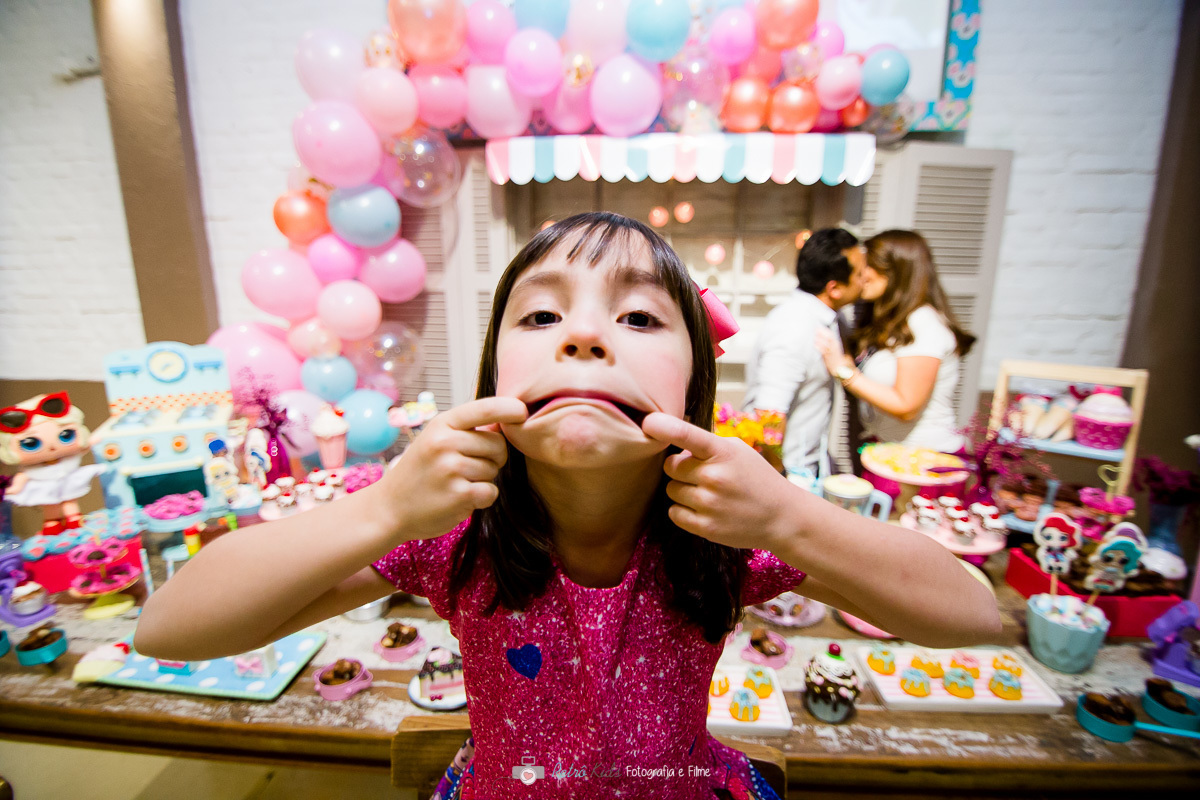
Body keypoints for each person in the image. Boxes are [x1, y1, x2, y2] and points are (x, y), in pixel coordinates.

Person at [135, 213, 1000, 800]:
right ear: (493, 374)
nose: (584, 337)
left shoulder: (731, 532)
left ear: (695, 384)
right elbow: (170, 630)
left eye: (638, 318)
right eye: (542, 313)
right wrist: (382, 509)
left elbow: (970, 615)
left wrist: (789, 518)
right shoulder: (451, 533)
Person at [816, 228, 976, 456]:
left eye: (867, 265)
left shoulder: (923, 323)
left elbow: (906, 406)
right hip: (893, 453)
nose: (860, 274)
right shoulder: (891, 322)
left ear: (896, 271)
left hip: (924, 461)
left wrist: (843, 371)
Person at [742, 228, 865, 479]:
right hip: (787, 475)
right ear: (835, 288)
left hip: (806, 466)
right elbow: (769, 413)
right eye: (860, 274)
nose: (866, 280)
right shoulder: (795, 327)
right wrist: (778, 473)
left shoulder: (825, 318)